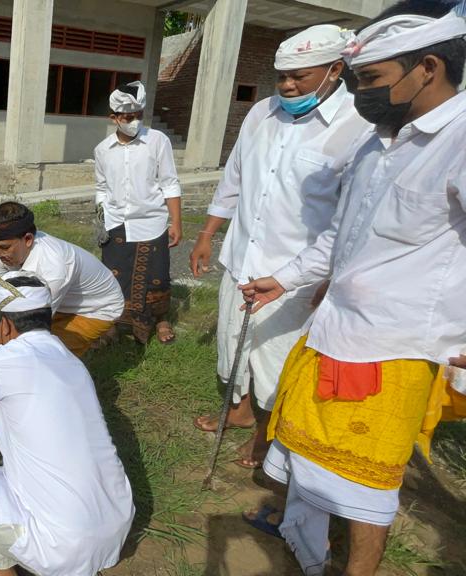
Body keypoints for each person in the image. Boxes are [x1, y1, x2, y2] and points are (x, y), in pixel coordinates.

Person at [241, 3, 466, 574]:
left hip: (393, 351)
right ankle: (304, 542)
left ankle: (355, 568)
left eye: (371, 80)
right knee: (307, 456)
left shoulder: (459, 141)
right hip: (332, 329)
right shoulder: (376, 143)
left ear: (428, 68)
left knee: (365, 483)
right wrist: (286, 279)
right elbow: (342, 236)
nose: (360, 93)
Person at [189, 25, 371, 472]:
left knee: (276, 357)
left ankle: (266, 434)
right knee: (232, 342)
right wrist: (208, 233)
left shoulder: (359, 126)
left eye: (300, 76)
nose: (288, 85)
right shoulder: (263, 114)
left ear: (335, 69)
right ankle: (240, 408)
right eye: (282, 76)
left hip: (295, 274)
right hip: (241, 259)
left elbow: (354, 219)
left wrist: (331, 277)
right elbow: (234, 175)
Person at [0, 272, 134, 576]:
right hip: (115, 524)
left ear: (4, 325)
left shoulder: (2, 360)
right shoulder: (71, 361)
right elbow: (32, 419)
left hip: (63, 546)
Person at [0, 202, 125, 357]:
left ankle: (103, 332)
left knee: (46, 357)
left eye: (4, 247)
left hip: (95, 308)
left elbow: (33, 325)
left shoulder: (53, 266)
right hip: (58, 301)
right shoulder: (4, 255)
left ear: (28, 239)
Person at [95, 80, 182, 345]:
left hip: (152, 222)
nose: (134, 122)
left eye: (138, 116)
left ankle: (160, 319)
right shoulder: (102, 150)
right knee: (115, 274)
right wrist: (101, 218)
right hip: (116, 223)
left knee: (157, 274)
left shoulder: (157, 141)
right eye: (128, 117)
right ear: (114, 118)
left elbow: (169, 182)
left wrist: (176, 221)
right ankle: (113, 322)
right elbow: (101, 186)